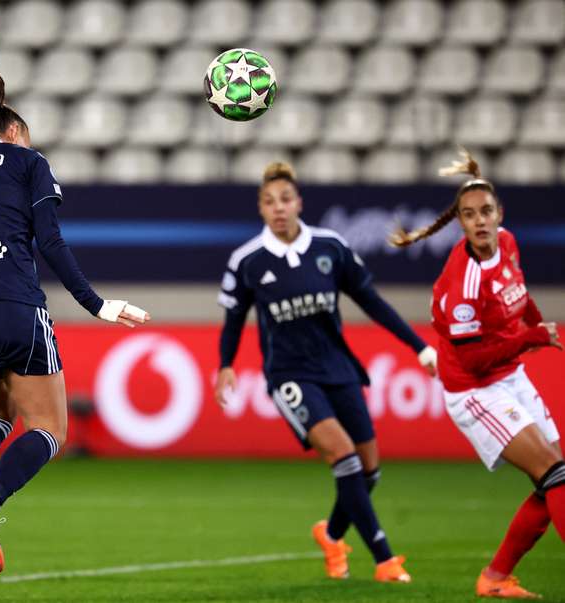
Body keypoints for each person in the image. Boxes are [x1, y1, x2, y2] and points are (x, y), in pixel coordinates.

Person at [0, 14, 149, 576]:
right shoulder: (27, 161)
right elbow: (50, 240)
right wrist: (97, 303)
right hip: (12, 301)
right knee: (49, 429)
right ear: (14, 131)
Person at [215, 161, 437, 583]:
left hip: (338, 368)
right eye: (268, 202)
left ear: (299, 202)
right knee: (344, 455)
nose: (278, 208)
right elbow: (233, 318)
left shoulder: (330, 247)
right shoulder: (247, 260)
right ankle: (385, 560)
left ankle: (332, 534)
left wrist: (419, 346)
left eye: (285, 199)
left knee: (369, 469)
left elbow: (372, 301)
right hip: (289, 374)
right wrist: (225, 364)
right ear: (260, 210)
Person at [391, 149, 563, 599]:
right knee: (556, 474)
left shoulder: (506, 241)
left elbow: (518, 292)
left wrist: (537, 323)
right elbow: (472, 362)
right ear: (461, 223)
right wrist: (532, 340)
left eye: (486, 211)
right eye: (469, 215)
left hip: (509, 374)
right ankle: (495, 577)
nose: (480, 221)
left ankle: (495, 578)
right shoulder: (463, 283)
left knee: (554, 483)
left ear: (499, 214)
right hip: (474, 389)